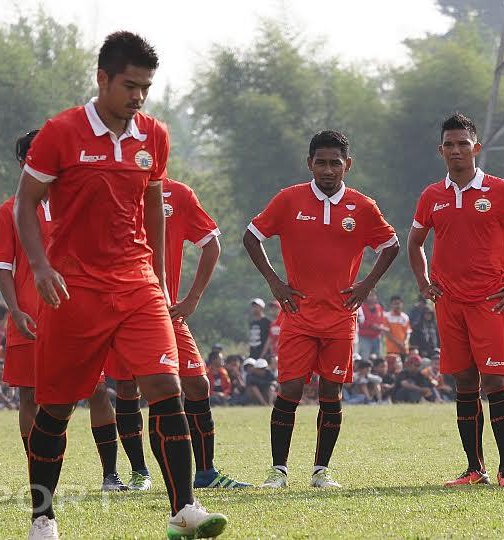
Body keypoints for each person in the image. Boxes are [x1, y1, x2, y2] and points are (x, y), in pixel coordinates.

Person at [13, 31, 227, 539]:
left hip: (135, 283)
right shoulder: (60, 132)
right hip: (74, 288)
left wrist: (154, 270)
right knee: (56, 407)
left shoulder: (153, 135)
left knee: (165, 388)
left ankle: (184, 509)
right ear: (102, 79)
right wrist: (42, 267)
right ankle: (43, 517)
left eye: (146, 88)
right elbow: (25, 203)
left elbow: (152, 203)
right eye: (130, 85)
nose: (138, 97)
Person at [243, 129, 400, 489]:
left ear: (348, 165)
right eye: (321, 163)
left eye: (335, 163)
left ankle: (321, 471)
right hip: (298, 314)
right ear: (309, 163)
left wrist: (366, 284)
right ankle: (278, 471)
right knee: (290, 389)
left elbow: (390, 244)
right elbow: (251, 235)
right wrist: (274, 282)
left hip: (341, 317)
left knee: (331, 393)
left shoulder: (362, 206)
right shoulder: (288, 200)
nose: (328, 170)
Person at [407, 113, 504, 488]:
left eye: (462, 144)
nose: (456, 150)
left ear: (476, 147)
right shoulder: (431, 195)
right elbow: (415, 242)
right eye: (449, 145)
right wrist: (423, 280)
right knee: (464, 384)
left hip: (490, 302)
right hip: (448, 305)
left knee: (496, 382)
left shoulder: (500, 190)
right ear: (441, 150)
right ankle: (474, 468)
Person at [0, 129, 130, 491]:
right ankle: (39, 479)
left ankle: (110, 475)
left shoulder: (77, 203)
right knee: (29, 396)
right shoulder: (9, 211)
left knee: (98, 392)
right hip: (31, 318)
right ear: (23, 162)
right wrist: (15, 311)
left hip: (80, 318)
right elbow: (3, 267)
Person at [107, 175, 250, 489]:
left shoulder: (179, 194)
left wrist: (192, 298)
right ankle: (140, 473)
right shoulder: (109, 187)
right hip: (120, 310)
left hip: (165, 312)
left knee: (197, 385)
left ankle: (206, 473)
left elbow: (211, 244)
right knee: (127, 389)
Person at [357, 292, 386, 359]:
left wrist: (381, 327)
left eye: (373, 295)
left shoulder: (379, 307)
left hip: (376, 337)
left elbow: (382, 320)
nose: (372, 297)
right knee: (365, 357)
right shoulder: (361, 307)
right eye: (370, 296)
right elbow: (360, 321)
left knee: (378, 357)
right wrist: (372, 325)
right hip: (365, 337)